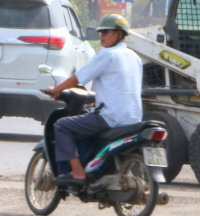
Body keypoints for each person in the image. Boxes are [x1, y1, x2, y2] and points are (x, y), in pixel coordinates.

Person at [45, 14, 142, 187]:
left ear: (119, 34)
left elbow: (78, 77)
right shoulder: (134, 57)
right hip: (133, 118)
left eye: (106, 32)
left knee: (61, 126)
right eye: (100, 32)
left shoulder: (107, 55)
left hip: (111, 118)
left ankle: (77, 172)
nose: (102, 36)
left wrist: (57, 90)